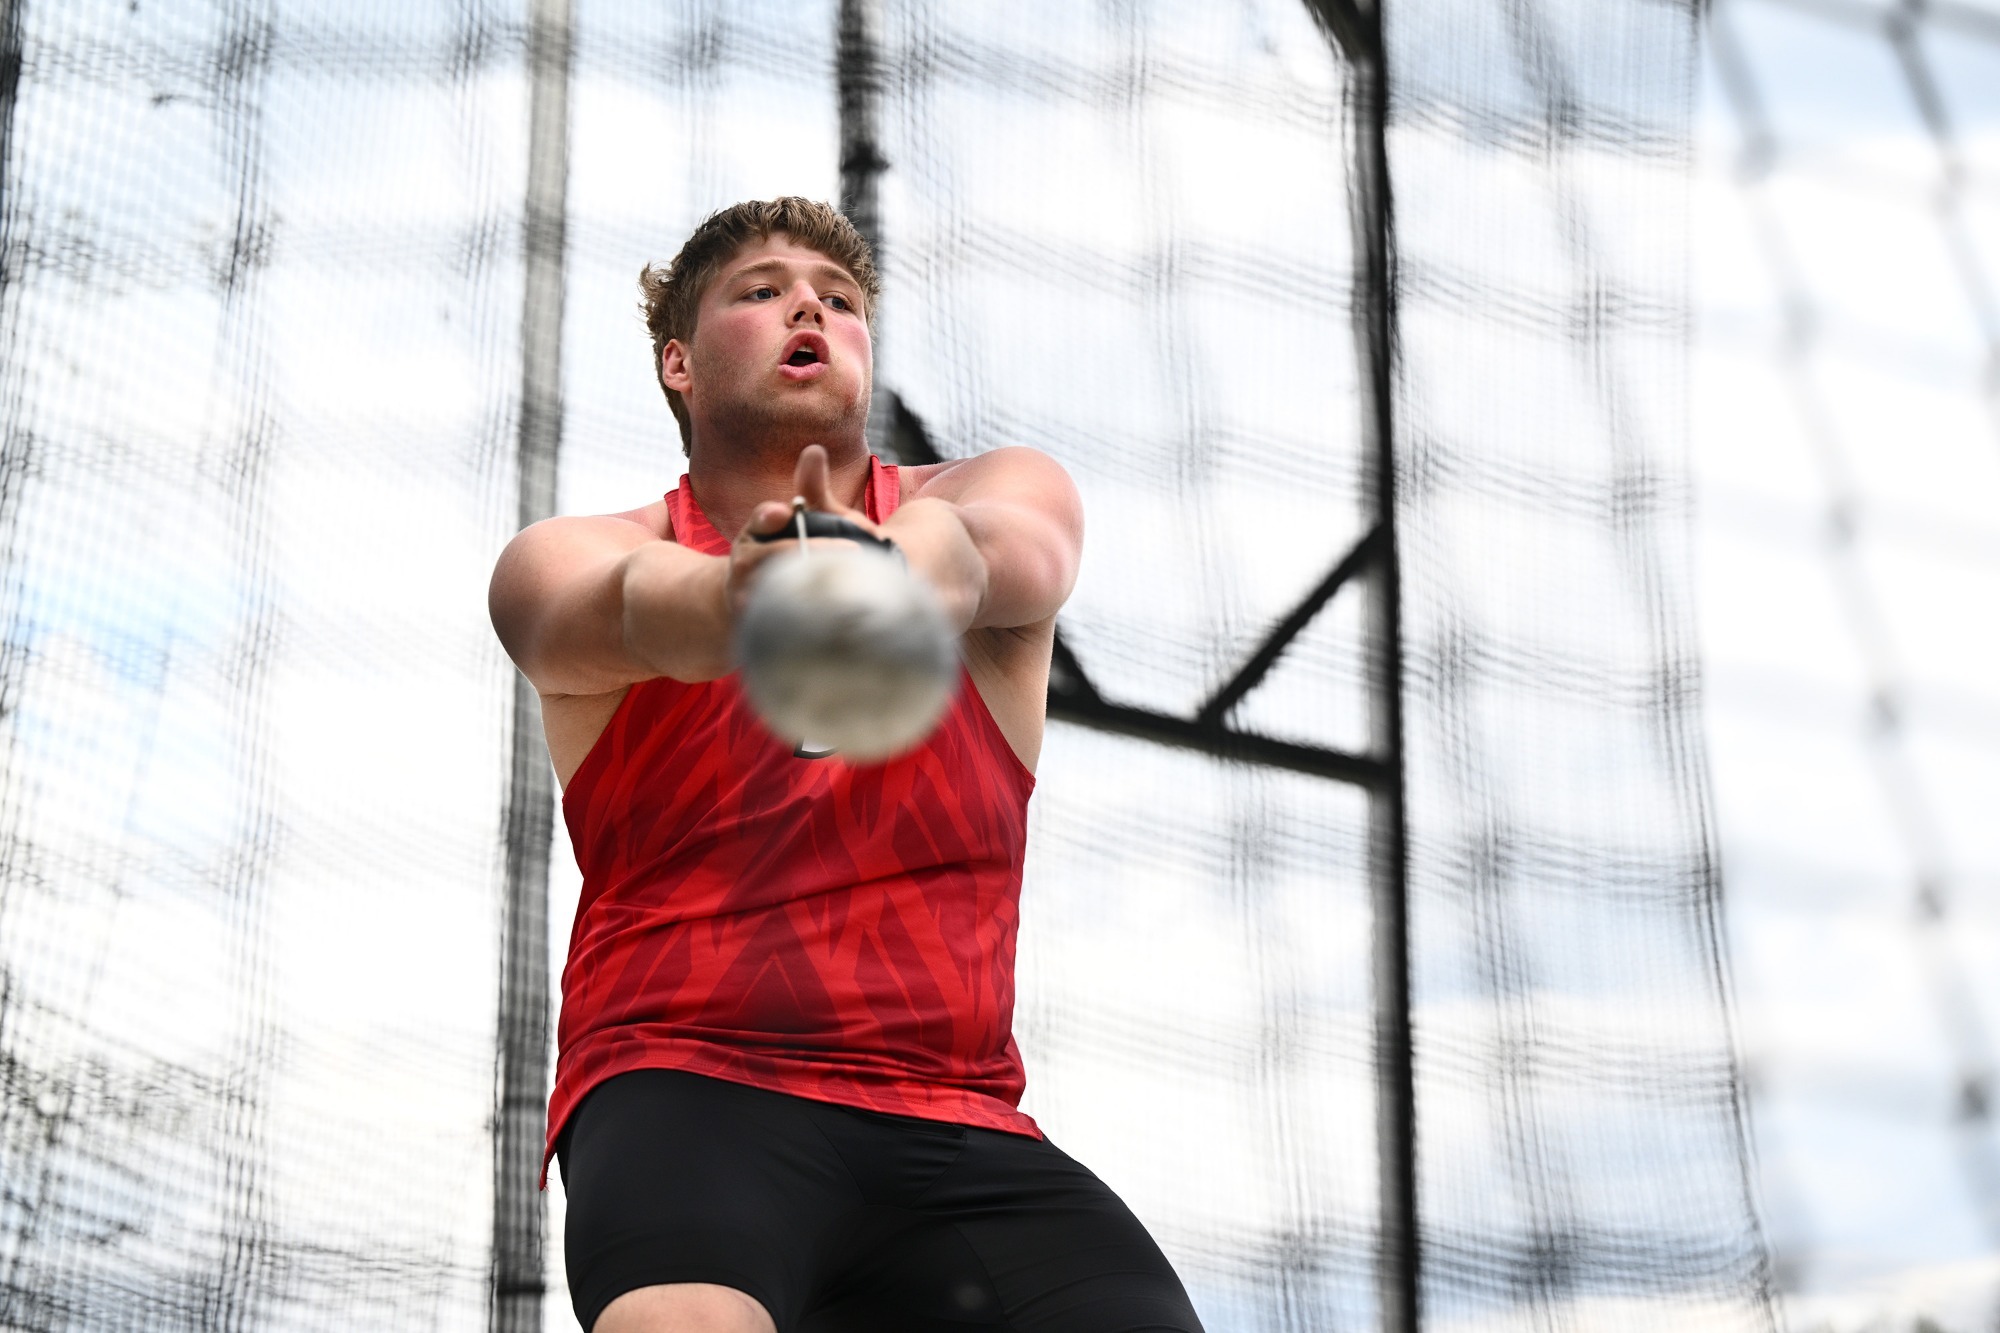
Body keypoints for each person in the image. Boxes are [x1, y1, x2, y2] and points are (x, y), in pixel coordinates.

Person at [489, 197, 1204, 1333]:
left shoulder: (989, 494)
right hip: (686, 1090)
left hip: (961, 1124)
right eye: (760, 289)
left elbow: (980, 555)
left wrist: (879, 576)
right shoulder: (579, 552)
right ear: (678, 362)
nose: (809, 302)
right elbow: (623, 610)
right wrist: (752, 593)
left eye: (840, 294)